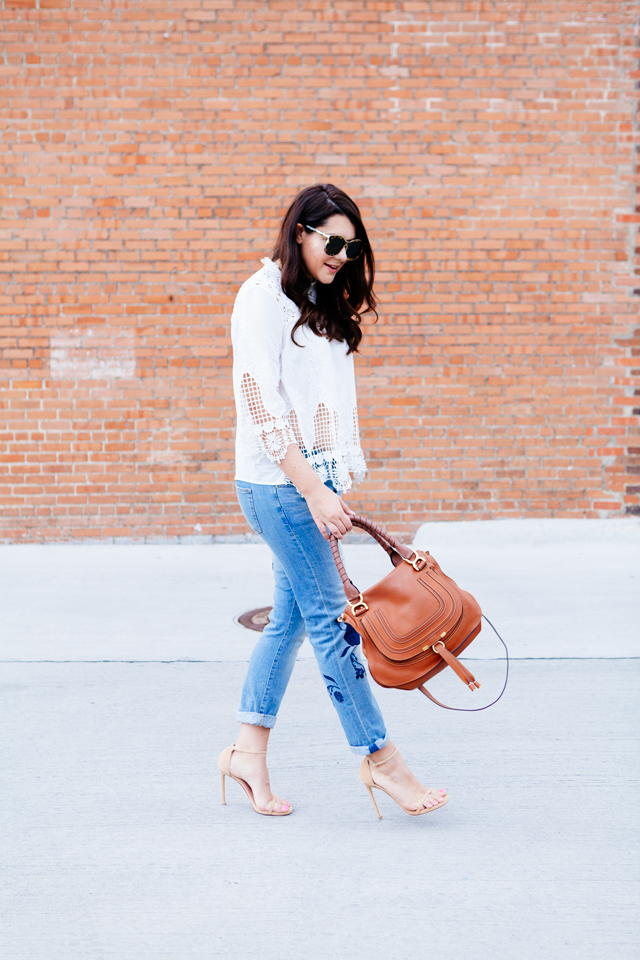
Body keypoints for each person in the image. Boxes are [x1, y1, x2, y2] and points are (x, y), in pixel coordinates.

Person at [218, 184, 449, 819]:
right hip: (280, 486)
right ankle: (381, 760)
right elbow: (262, 408)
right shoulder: (260, 299)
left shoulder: (318, 300)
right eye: (332, 241)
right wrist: (316, 491)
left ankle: (246, 752)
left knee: (292, 620)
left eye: (352, 246)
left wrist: (332, 482)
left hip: (315, 486)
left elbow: (328, 402)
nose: (343, 254)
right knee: (332, 622)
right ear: (300, 232)